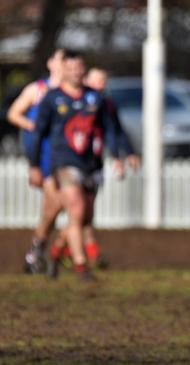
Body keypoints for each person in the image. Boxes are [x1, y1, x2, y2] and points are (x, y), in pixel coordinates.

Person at [29, 50, 121, 281]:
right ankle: (81, 266)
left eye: (79, 68)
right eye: (70, 68)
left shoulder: (95, 98)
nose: (75, 72)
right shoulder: (51, 98)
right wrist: (34, 165)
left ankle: (55, 251)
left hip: (89, 164)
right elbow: (37, 133)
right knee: (76, 208)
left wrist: (118, 155)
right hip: (63, 162)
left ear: (83, 70)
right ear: (64, 70)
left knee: (83, 217)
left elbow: (109, 129)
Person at [49, 67, 140, 271]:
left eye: (104, 81)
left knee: (86, 216)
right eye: (97, 81)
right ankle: (82, 261)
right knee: (77, 212)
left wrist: (123, 154)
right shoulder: (75, 104)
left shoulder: (106, 105)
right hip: (71, 164)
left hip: (93, 166)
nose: (101, 85)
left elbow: (115, 131)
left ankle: (57, 251)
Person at [7, 49, 65, 274]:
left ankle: (38, 251)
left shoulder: (71, 92)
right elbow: (14, 113)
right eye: (60, 60)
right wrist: (34, 126)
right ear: (50, 63)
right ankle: (40, 250)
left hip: (65, 156)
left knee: (54, 208)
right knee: (56, 203)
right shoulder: (37, 89)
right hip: (43, 155)